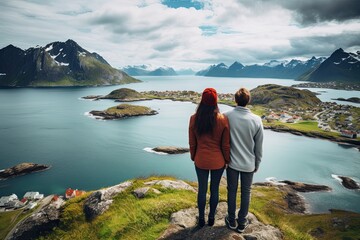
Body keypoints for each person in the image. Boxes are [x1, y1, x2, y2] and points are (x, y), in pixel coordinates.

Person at [189, 88, 230, 228]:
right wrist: (227, 160)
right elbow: (225, 145)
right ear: (216, 101)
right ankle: (211, 218)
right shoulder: (223, 119)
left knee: (202, 189)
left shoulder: (194, 118)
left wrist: (193, 157)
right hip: (218, 161)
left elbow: (192, 142)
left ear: (202, 100)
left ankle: (201, 219)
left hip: (200, 160)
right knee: (215, 189)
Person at [224, 87, 264, 233]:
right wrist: (257, 163)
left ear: (235, 100)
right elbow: (258, 147)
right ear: (248, 101)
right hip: (249, 163)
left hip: (232, 163)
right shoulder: (257, 120)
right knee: (246, 192)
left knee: (232, 191)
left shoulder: (226, 116)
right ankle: (242, 222)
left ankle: (231, 219)